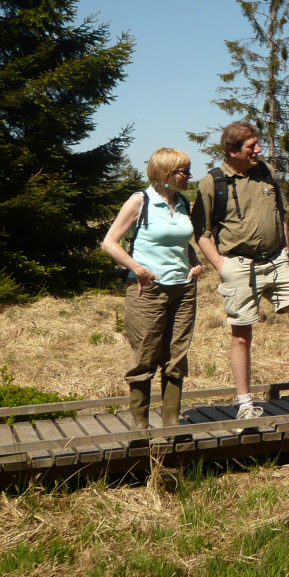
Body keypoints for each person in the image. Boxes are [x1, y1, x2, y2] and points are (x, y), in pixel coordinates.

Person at [192, 122, 289, 418]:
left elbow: (280, 212)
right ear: (232, 151)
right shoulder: (213, 182)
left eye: (258, 144)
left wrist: (285, 250)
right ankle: (245, 404)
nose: (259, 150)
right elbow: (201, 232)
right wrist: (223, 267)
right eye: (251, 146)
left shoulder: (265, 173)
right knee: (241, 336)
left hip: (275, 262)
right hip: (238, 265)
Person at [101, 148, 203, 431]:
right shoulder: (140, 201)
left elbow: (181, 241)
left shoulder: (182, 200)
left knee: (177, 354)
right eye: (184, 171)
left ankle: (171, 421)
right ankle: (140, 424)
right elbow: (109, 242)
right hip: (148, 289)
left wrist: (194, 261)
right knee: (145, 353)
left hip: (183, 288)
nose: (189, 175)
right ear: (166, 174)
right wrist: (138, 269)